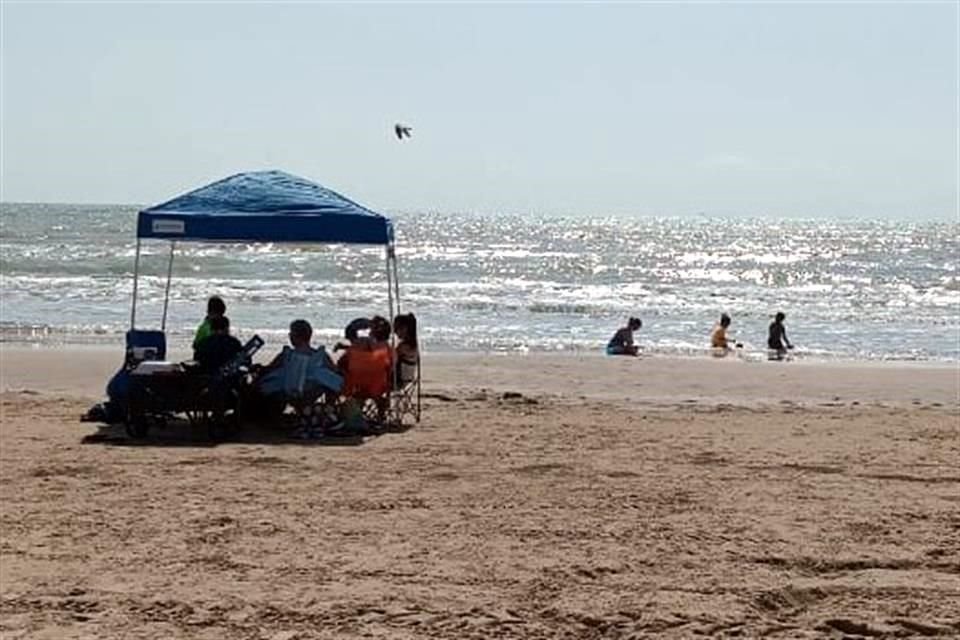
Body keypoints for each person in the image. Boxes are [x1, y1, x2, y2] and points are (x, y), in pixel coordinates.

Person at [393, 313, 419, 384]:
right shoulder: (414, 345)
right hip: (409, 379)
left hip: (398, 381)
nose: (395, 332)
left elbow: (391, 361)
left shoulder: (403, 347)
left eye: (396, 328)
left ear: (405, 329)